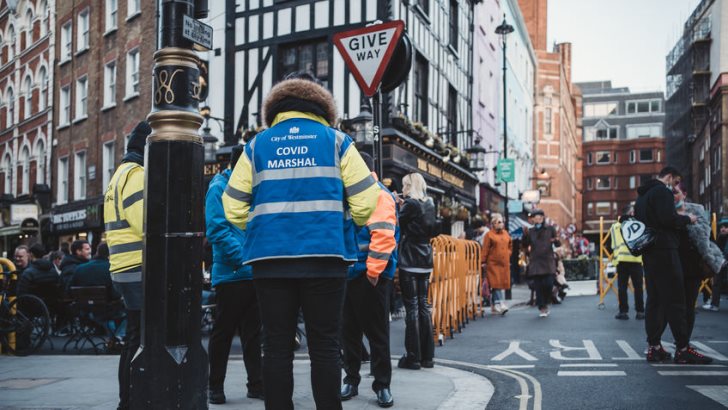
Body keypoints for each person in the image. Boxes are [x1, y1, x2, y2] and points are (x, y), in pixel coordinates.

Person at [222, 73, 378, 410]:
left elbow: (232, 206)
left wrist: (262, 228)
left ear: (276, 109)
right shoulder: (338, 142)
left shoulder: (256, 145)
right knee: (324, 343)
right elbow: (367, 203)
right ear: (322, 109)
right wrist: (344, 221)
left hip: (269, 260)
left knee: (276, 344)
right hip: (326, 256)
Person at [634, 166, 711, 364]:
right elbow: (668, 219)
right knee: (676, 300)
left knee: (654, 300)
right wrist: (688, 219)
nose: (675, 186)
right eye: (675, 182)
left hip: (649, 253)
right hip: (666, 251)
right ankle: (683, 349)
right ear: (669, 177)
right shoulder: (661, 192)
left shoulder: (642, 197)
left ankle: (654, 347)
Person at [205, 145, 263, 404]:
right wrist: (246, 258)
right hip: (232, 274)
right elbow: (217, 231)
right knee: (224, 332)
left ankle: (256, 385)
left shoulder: (252, 187)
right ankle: (214, 387)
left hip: (252, 272)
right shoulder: (218, 188)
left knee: (254, 333)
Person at [340, 152, 398, 408]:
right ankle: (351, 380)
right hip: (349, 272)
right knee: (348, 332)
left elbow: (384, 235)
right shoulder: (347, 193)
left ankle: (382, 385)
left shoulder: (379, 194)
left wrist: (373, 272)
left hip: (370, 275)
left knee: (377, 334)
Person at [104, 120, 150, 410]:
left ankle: (129, 400)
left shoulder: (118, 175)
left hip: (122, 267)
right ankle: (129, 401)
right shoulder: (136, 174)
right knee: (139, 338)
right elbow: (146, 222)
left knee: (135, 335)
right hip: (137, 267)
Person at [396, 172, 437, 370]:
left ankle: (413, 357)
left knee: (411, 307)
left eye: (405, 185)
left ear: (410, 186)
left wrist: (399, 205)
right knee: (423, 306)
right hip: (426, 258)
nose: (403, 189)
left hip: (410, 258)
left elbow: (397, 224)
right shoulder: (430, 203)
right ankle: (428, 357)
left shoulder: (410, 204)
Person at [610, 204, 645, 320]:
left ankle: (623, 312)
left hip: (622, 261)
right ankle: (640, 312)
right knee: (638, 287)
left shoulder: (615, 227)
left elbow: (613, 246)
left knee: (622, 288)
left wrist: (615, 263)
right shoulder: (637, 225)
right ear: (630, 213)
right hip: (636, 260)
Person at [523, 209, 559, 317]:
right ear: (532, 219)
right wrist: (524, 236)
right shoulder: (530, 231)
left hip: (548, 261)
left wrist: (555, 240)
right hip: (536, 262)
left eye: (540, 218)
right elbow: (525, 245)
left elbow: (558, 244)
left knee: (548, 284)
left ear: (543, 219)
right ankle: (542, 308)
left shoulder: (550, 229)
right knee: (538, 287)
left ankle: (547, 302)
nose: (538, 220)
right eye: (535, 218)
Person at [482, 213, 512, 315]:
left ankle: (495, 305)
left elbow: (510, 245)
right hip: (493, 264)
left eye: (502, 222)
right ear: (493, 224)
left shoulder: (506, 234)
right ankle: (501, 303)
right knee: (496, 283)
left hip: (504, 264)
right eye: (498, 222)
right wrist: (483, 261)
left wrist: (508, 254)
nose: (501, 224)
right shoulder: (489, 235)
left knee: (497, 285)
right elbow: (485, 249)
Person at [703, 218, 728, 311]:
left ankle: (714, 304)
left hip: (722, 261)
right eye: (722, 227)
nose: (723, 229)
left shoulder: (721, 237)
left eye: (726, 227)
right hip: (720, 262)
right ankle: (714, 304)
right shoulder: (720, 237)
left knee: (717, 283)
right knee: (716, 283)